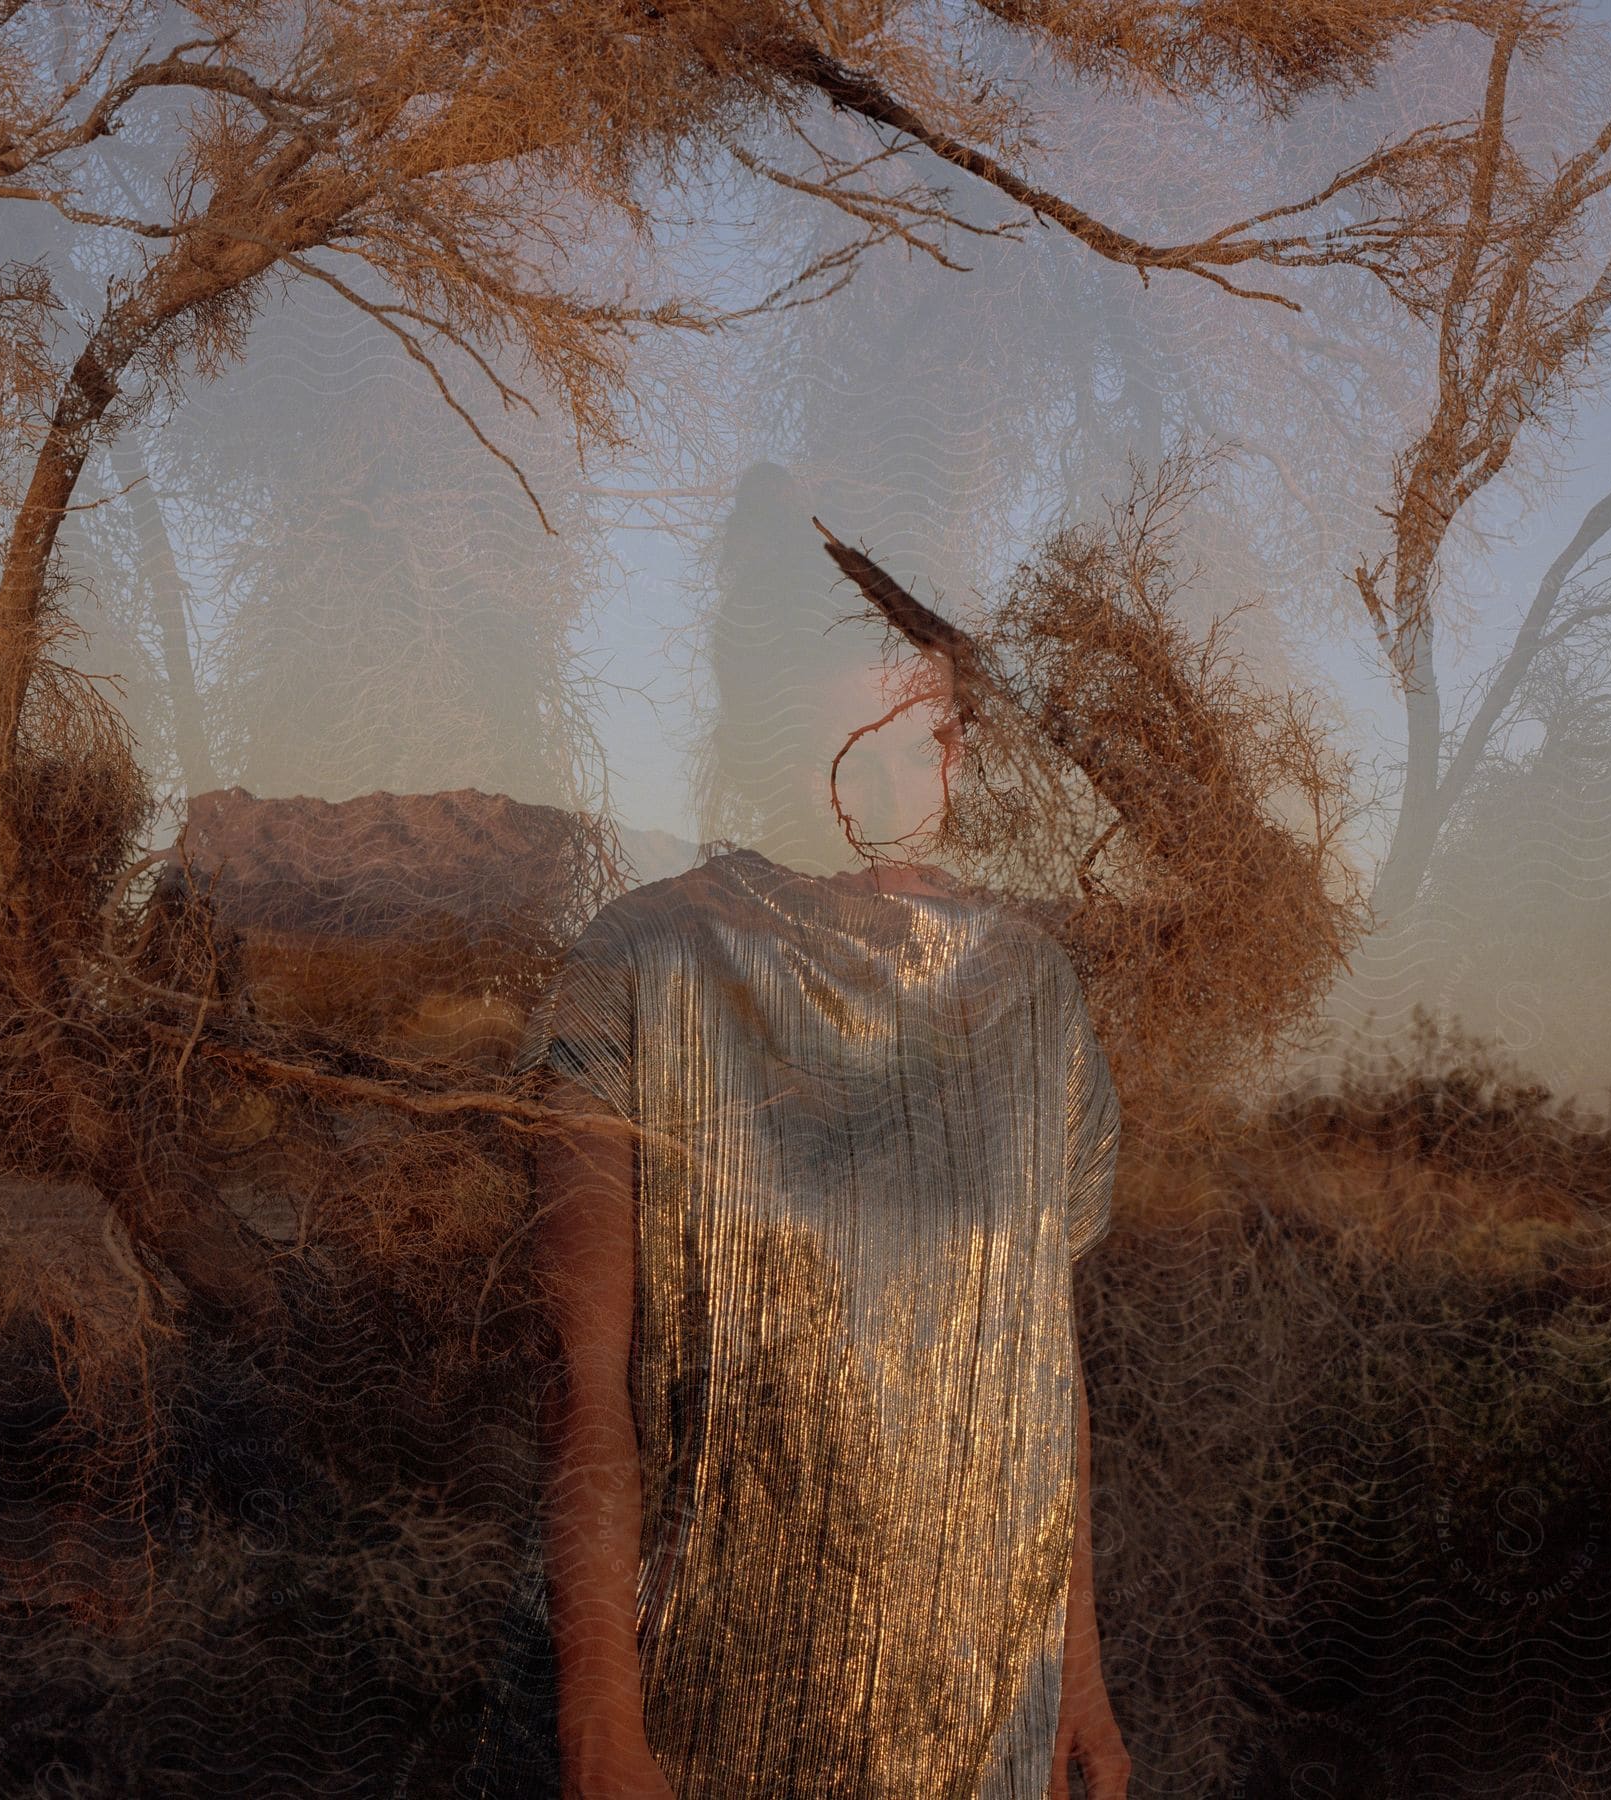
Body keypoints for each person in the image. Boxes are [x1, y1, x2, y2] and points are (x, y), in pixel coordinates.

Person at [474, 462, 1127, 1799]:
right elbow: (581, 1373)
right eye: (858, 747)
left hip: (990, 1731)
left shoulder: (1030, 996)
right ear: (778, 732)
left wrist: (1082, 1682)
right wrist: (601, 1721)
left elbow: (1038, 1376)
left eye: (931, 741)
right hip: (718, 1723)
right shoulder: (648, 962)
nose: (903, 789)